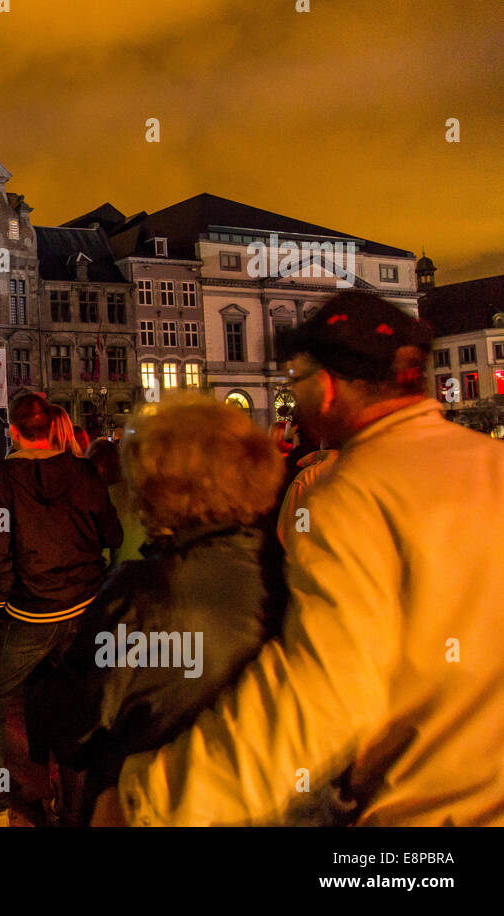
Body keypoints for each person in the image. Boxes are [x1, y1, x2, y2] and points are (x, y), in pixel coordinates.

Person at [112, 290, 504, 826]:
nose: (290, 398)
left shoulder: (351, 496)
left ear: (324, 387)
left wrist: (154, 799)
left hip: (430, 815)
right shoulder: (493, 463)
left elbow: (324, 694)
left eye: (294, 381)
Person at [27, 397, 288, 825]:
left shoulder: (145, 593)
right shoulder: (281, 569)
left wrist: (50, 679)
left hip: (146, 801)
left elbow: (75, 721)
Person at [0, 392, 122, 826]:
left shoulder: (6, 480)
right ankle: (75, 804)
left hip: (31, 612)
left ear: (15, 432)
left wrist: (3, 593)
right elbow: (111, 533)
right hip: (82, 606)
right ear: (51, 428)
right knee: (71, 701)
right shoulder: (83, 473)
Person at [85, 438, 146, 567]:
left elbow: (103, 557)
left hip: (119, 578)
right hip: (150, 574)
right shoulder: (142, 494)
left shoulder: (101, 499)